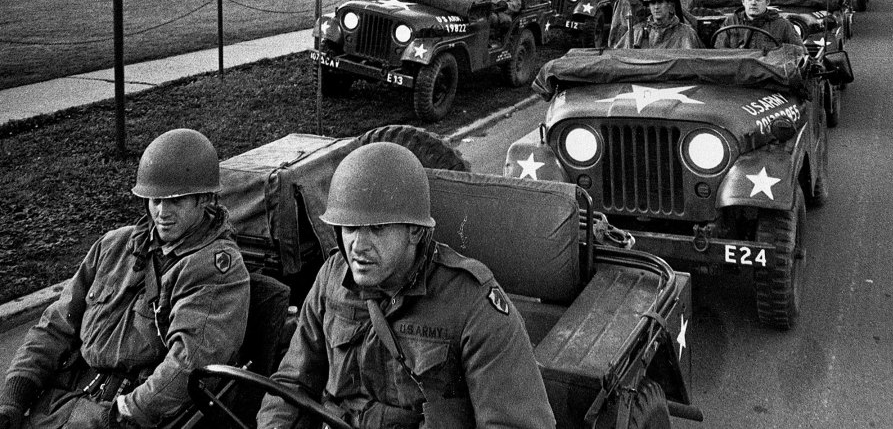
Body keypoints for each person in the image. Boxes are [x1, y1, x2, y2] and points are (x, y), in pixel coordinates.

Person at [256, 142, 556, 429]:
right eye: (350, 227)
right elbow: (292, 386)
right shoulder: (332, 278)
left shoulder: (472, 303)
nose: (358, 246)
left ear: (414, 231)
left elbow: (513, 422)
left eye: (377, 228)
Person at [0, 129, 250, 429]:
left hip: (122, 414)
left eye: (176, 201)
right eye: (154, 199)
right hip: (60, 402)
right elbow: (55, 326)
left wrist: (125, 414)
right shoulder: (116, 245)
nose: (161, 212)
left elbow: (189, 363)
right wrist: (14, 396)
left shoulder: (215, 268)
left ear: (204, 199)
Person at [713, 0, 805, 51]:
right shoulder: (731, 22)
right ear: (743, 1)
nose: (753, 3)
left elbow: (800, 54)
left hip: (768, 70)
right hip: (735, 70)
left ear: (767, 2)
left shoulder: (782, 25)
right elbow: (719, 55)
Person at [615, 0, 702, 49]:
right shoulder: (637, 32)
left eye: (660, 2)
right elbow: (618, 56)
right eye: (653, 3)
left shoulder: (686, 34)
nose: (656, 7)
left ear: (669, 4)